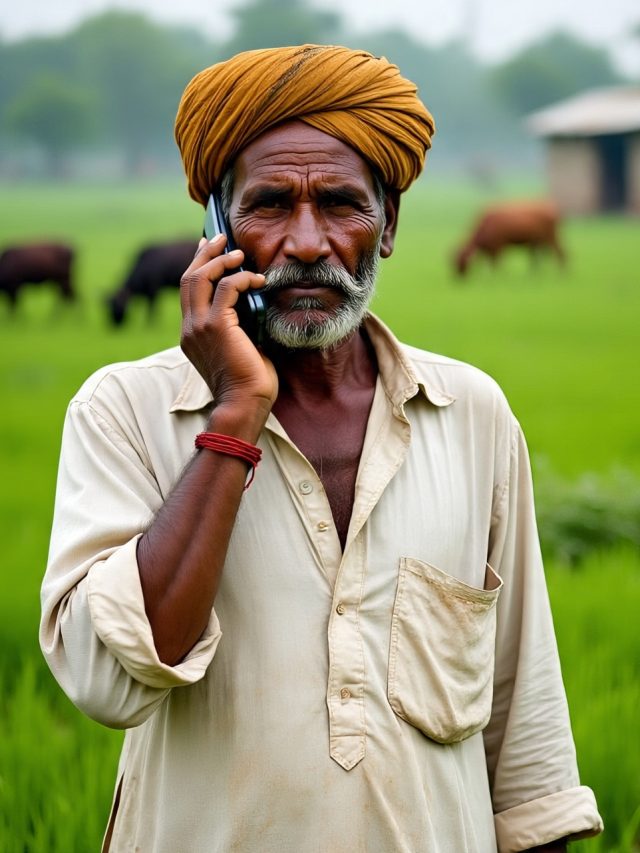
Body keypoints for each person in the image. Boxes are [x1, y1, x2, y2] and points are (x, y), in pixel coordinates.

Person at [40, 45, 603, 853]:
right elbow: (108, 681)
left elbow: (528, 739)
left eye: (341, 203)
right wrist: (233, 417)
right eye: (270, 204)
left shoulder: (469, 412)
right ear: (216, 227)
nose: (308, 242)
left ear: (390, 225)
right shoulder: (124, 409)